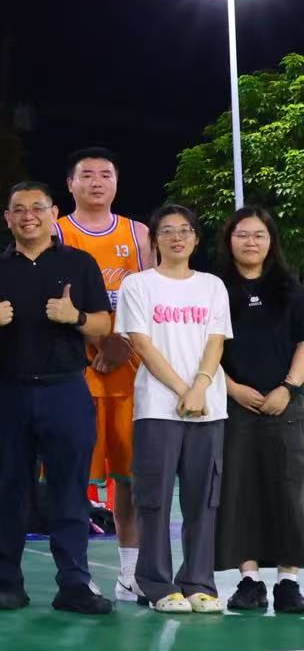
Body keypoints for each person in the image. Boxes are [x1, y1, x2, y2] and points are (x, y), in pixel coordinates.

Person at [0, 182, 114, 615]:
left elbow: (104, 325)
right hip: (7, 390)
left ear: (53, 213)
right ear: (7, 218)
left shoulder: (79, 263)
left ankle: (74, 584)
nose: (28, 216)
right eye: (19, 209)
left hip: (65, 388)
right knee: (8, 489)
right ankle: (9, 583)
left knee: (70, 488)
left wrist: (76, 316)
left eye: (37, 207)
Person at [116, 205, 231, 615]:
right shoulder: (138, 285)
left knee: (204, 500)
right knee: (154, 499)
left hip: (208, 408)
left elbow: (216, 341)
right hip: (157, 408)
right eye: (167, 231)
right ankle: (156, 584)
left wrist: (199, 387)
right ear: (154, 240)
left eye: (185, 230)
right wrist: (183, 390)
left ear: (196, 239)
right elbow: (142, 344)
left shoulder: (213, 286)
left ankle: (199, 582)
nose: (177, 237)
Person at [55, 148, 153, 601]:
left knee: (131, 479)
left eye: (105, 174)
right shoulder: (56, 232)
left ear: (116, 182)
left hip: (131, 371)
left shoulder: (138, 234)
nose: (96, 182)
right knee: (74, 478)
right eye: (87, 174)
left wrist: (123, 345)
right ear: (71, 184)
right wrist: (98, 342)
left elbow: (152, 299)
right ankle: (77, 572)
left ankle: (131, 572)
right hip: (75, 370)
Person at [216, 207, 304, 613]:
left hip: (286, 404)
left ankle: (289, 582)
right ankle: (249, 581)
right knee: (239, 490)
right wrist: (231, 388)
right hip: (234, 405)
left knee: (290, 491)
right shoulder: (215, 288)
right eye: (242, 235)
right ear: (229, 240)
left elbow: (302, 343)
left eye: (259, 235)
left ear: (271, 242)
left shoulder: (291, 288)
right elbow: (204, 346)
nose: (250, 242)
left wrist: (288, 387)